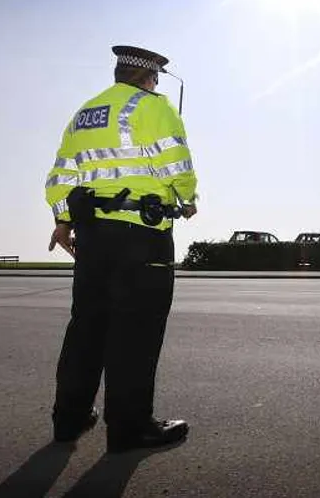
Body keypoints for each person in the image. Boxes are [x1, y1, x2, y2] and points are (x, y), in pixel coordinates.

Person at [44, 45, 198, 453]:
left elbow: (61, 173)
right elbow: (177, 165)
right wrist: (187, 198)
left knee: (86, 327)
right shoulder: (154, 107)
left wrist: (62, 220)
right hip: (141, 234)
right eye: (155, 79)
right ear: (150, 77)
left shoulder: (85, 112)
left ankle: (69, 418)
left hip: (93, 235)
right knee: (137, 332)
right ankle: (129, 428)